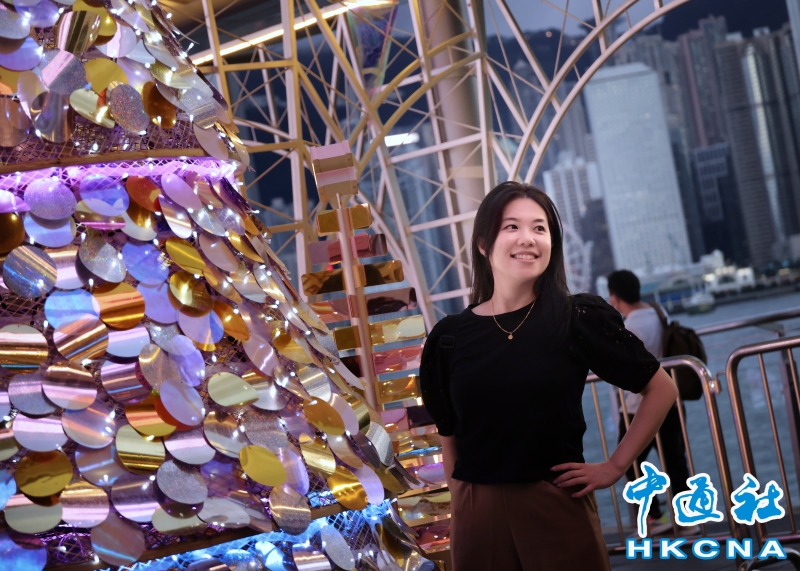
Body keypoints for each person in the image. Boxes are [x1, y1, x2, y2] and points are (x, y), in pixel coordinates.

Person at [419, 182, 679, 571]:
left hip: (556, 502)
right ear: (483, 244)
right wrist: (461, 498)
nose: (528, 238)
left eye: (539, 228)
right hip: (477, 512)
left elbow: (661, 388)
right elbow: (448, 433)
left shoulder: (575, 318)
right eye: (512, 226)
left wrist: (614, 467)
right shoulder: (449, 336)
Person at [607, 270, 691, 532]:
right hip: (669, 400)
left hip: (638, 406)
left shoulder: (628, 328)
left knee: (628, 462)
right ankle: (686, 519)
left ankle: (654, 516)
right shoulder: (658, 312)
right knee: (675, 462)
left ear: (614, 297)